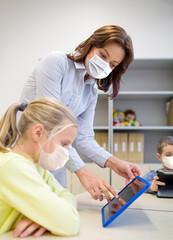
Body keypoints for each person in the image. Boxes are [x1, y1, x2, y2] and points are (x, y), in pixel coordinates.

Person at [20, 25, 142, 202]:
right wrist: (83, 173)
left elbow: (84, 139)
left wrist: (116, 163)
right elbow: (50, 124)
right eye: (102, 55)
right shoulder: (56, 62)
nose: (106, 65)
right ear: (92, 44)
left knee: (59, 211)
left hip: (55, 159)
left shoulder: (90, 91)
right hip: (25, 154)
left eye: (112, 64)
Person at [0, 98, 80, 237]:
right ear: (38, 132)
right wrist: (53, 218)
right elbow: (70, 224)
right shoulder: (13, 166)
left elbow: (67, 195)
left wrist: (45, 219)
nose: (66, 152)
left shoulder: (37, 167)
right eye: (63, 144)